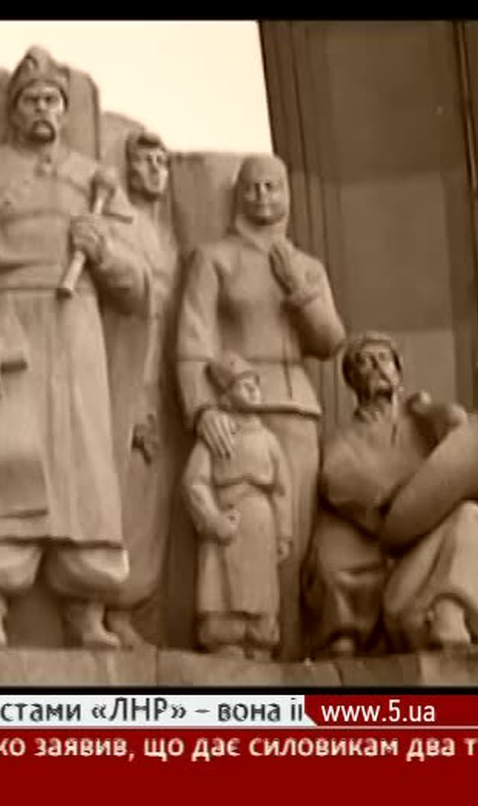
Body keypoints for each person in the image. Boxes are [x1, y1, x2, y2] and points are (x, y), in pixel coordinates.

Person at [0, 46, 156, 648]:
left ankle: (87, 607)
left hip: (78, 335)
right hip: (8, 332)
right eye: (30, 100)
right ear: (14, 110)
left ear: (64, 109)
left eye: (52, 100)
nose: (41, 109)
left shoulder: (95, 181)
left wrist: (105, 253)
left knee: (85, 475)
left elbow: (140, 285)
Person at [176, 153, 346, 659]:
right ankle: (234, 643)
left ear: (287, 193)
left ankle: (287, 654)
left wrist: (300, 290)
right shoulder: (216, 258)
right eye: (252, 187)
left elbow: (330, 341)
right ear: (238, 195)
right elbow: (193, 340)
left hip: (297, 409)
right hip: (238, 409)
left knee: (290, 539)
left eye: (272, 186)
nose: (262, 196)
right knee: (237, 533)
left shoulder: (306, 266)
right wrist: (203, 409)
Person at [304, 332, 478, 654]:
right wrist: (407, 495)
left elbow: (464, 455)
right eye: (365, 362)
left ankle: (449, 614)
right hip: (388, 565)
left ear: (399, 371)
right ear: (352, 381)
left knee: (469, 516)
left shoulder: (424, 426)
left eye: (384, 359)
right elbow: (342, 484)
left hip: (426, 555)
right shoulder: (340, 442)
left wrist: (434, 412)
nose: (377, 367)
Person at [100, 128, 182, 648]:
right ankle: (113, 606)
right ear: (127, 167)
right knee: (127, 492)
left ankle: (134, 606)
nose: (154, 170)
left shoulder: (168, 235)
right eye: (144, 160)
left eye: (161, 161)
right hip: (130, 373)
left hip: (164, 380)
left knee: (153, 502)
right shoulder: (119, 221)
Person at [182, 352, 292, 660]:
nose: (254, 391)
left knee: (262, 588)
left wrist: (284, 534)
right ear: (226, 397)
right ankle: (224, 639)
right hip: (226, 521)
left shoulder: (269, 440)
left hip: (262, 524)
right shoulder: (215, 438)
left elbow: (282, 489)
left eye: (256, 385)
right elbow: (194, 481)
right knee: (221, 586)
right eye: (245, 386)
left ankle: (260, 638)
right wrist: (212, 519)